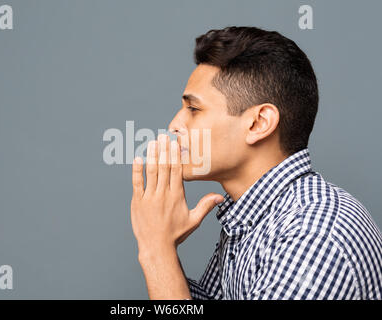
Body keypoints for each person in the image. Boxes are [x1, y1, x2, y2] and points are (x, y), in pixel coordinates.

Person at [130, 26, 382, 299]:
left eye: (193, 109)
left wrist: (156, 250)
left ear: (259, 123)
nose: (174, 125)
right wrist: (160, 241)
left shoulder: (314, 236)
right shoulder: (253, 217)